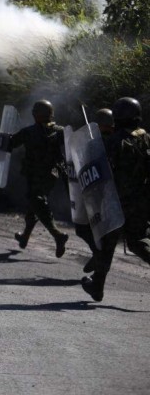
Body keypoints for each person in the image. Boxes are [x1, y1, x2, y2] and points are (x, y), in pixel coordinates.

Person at [82, 97, 150, 301]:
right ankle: (96, 286)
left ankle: (97, 286)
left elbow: (100, 169)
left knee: (106, 243)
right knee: (137, 241)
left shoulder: (114, 141)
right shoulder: (146, 138)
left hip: (117, 200)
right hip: (141, 200)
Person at [8, 100, 69, 258]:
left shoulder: (29, 132)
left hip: (35, 174)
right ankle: (25, 237)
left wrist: (5, 138)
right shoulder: (60, 131)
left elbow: (10, 144)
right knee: (34, 204)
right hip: (52, 175)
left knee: (37, 201)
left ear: (35, 115)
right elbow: (74, 147)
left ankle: (57, 235)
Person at [74, 108, 115, 274]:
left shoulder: (111, 142)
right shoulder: (98, 141)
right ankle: (97, 256)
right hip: (100, 194)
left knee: (89, 229)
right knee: (86, 229)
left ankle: (98, 258)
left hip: (107, 195)